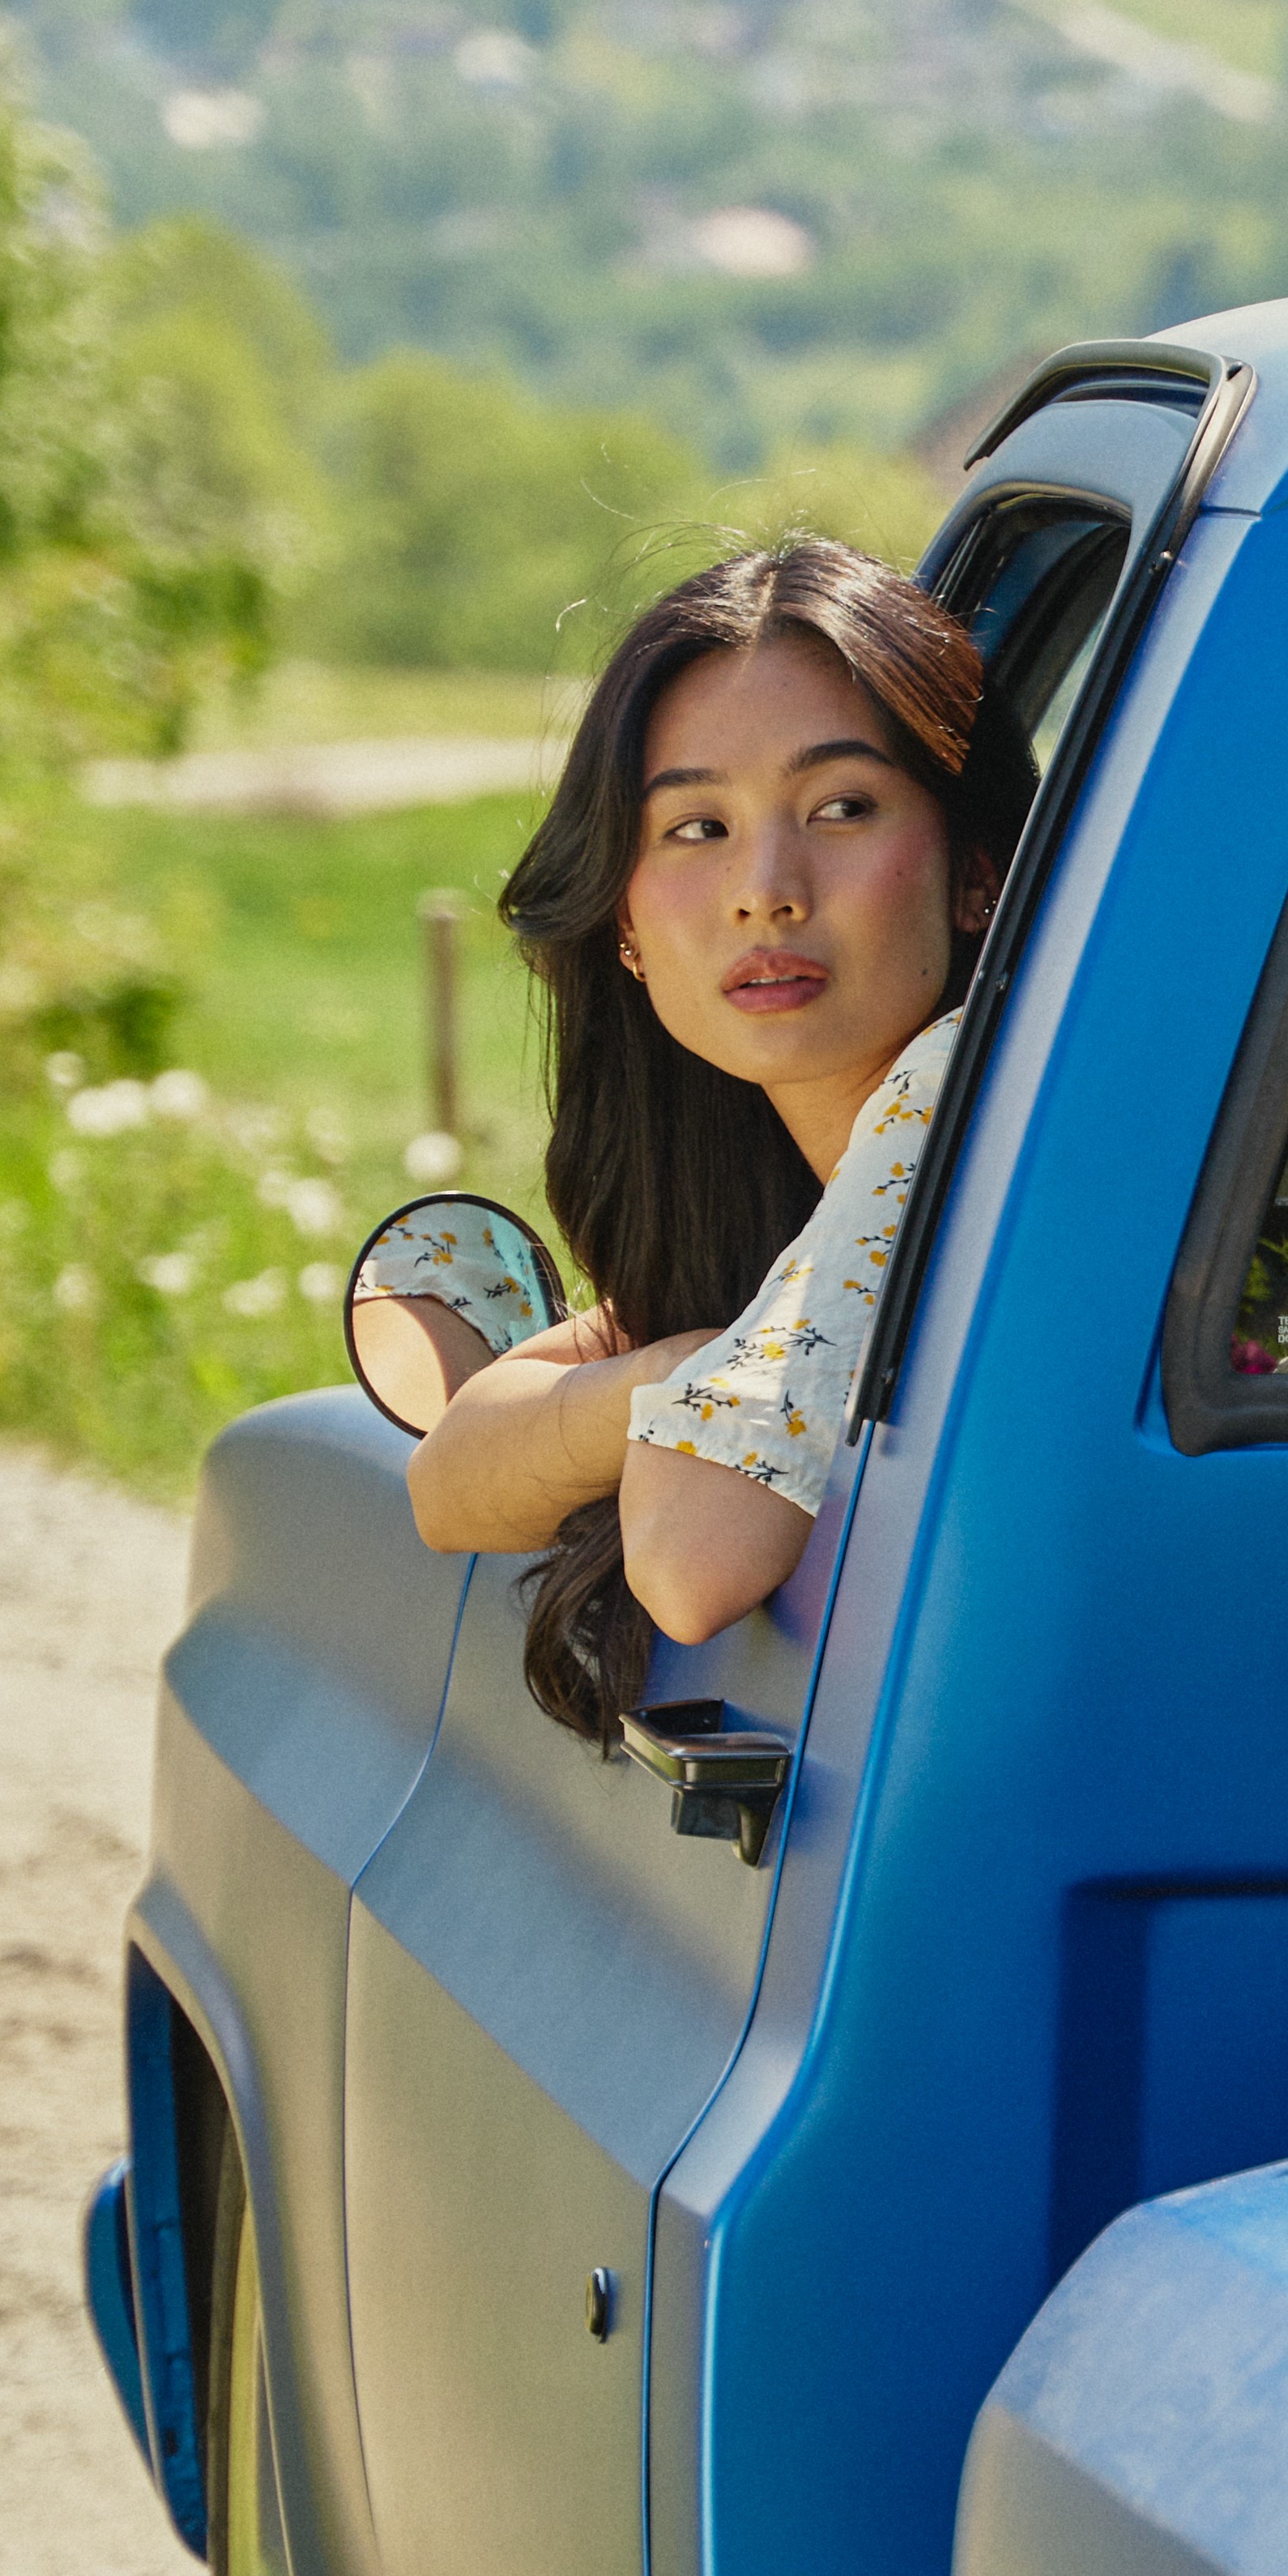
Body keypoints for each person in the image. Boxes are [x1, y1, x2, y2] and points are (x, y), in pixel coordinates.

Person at [403, 535, 1021, 1737]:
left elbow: (693, 1563)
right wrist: (665, 1369)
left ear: (974, 873)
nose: (767, 890)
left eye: (842, 807)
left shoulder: (954, 1108)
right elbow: (449, 1480)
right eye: (696, 827)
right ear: (623, 920)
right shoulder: (799, 1197)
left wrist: (667, 1389)